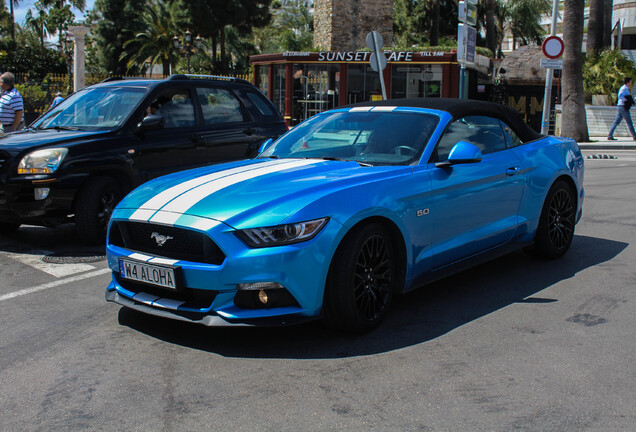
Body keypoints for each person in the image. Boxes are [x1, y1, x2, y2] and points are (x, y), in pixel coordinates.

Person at [608, 76, 636, 141]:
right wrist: (626, 100)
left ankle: (610, 135)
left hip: (620, 106)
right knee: (629, 122)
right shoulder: (624, 88)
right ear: (628, 82)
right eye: (631, 82)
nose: (631, 83)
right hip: (623, 107)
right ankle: (634, 136)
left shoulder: (625, 88)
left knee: (616, 122)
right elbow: (620, 96)